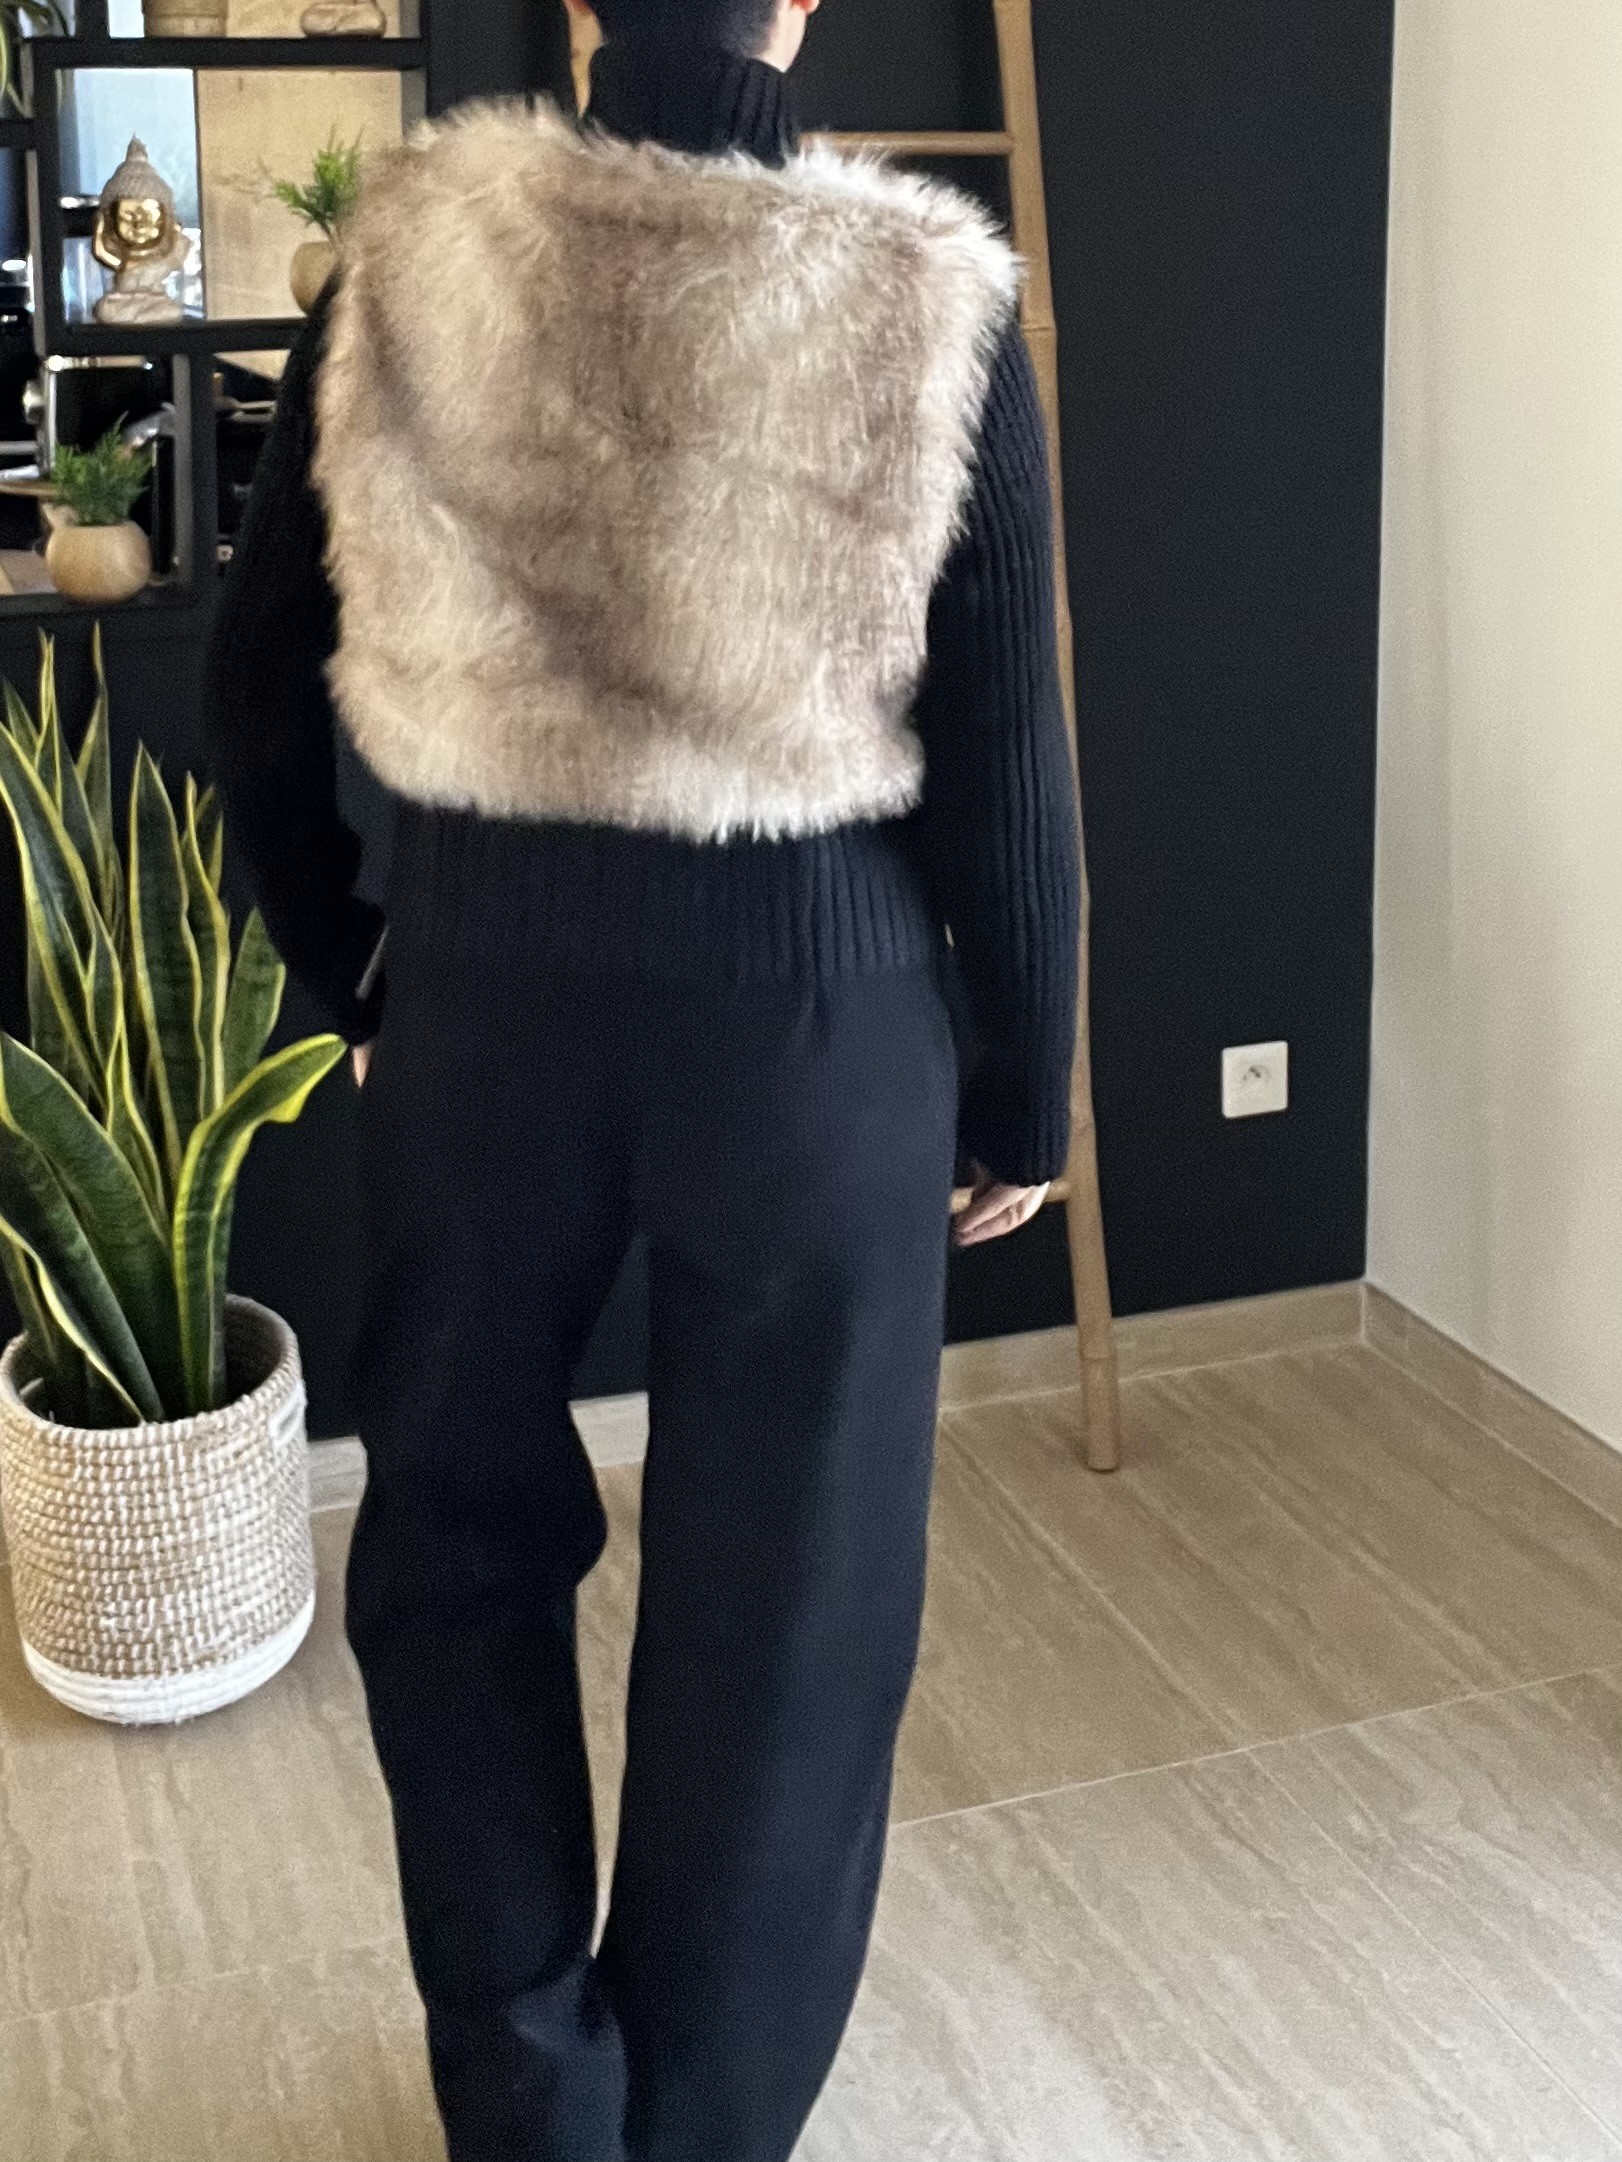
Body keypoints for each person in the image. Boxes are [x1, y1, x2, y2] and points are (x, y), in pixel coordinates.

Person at [206, 0, 1080, 2155]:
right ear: (800, 1)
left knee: (455, 1546)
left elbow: (254, 683)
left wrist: (351, 961)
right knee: (792, 1599)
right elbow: (1006, 756)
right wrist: (1021, 1090)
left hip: (482, 1003)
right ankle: (694, 2122)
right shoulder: (926, 298)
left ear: (583, 8)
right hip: (813, 1024)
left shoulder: (400, 258)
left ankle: (532, 2089)